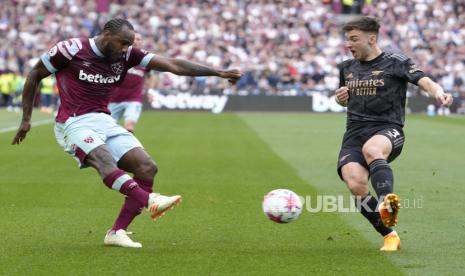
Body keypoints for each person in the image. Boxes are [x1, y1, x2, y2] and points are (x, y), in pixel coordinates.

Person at [11, 18, 241, 248]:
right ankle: (150, 199)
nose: (125, 49)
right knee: (104, 160)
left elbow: (173, 65)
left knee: (147, 168)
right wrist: (26, 119)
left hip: (104, 119)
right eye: (122, 43)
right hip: (73, 121)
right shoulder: (70, 50)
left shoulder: (128, 55)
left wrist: (218, 73)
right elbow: (34, 75)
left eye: (128, 45)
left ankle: (117, 232)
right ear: (107, 35)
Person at [334, 16, 453, 251]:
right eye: (348, 40)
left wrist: (438, 92)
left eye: (354, 39)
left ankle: (387, 200)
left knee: (372, 150)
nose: (349, 44)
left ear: (372, 38)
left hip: (387, 129)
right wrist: (340, 100)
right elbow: (344, 100)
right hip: (354, 133)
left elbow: (424, 80)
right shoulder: (346, 67)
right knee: (355, 184)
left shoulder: (395, 62)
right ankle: (390, 235)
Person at [108, 32, 154, 133]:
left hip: (133, 99)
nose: (135, 41)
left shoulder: (145, 59)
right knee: (106, 128)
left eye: (138, 39)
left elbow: (150, 76)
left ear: (141, 42)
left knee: (129, 126)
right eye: (133, 39)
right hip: (113, 99)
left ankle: (127, 146)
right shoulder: (117, 56)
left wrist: (150, 91)